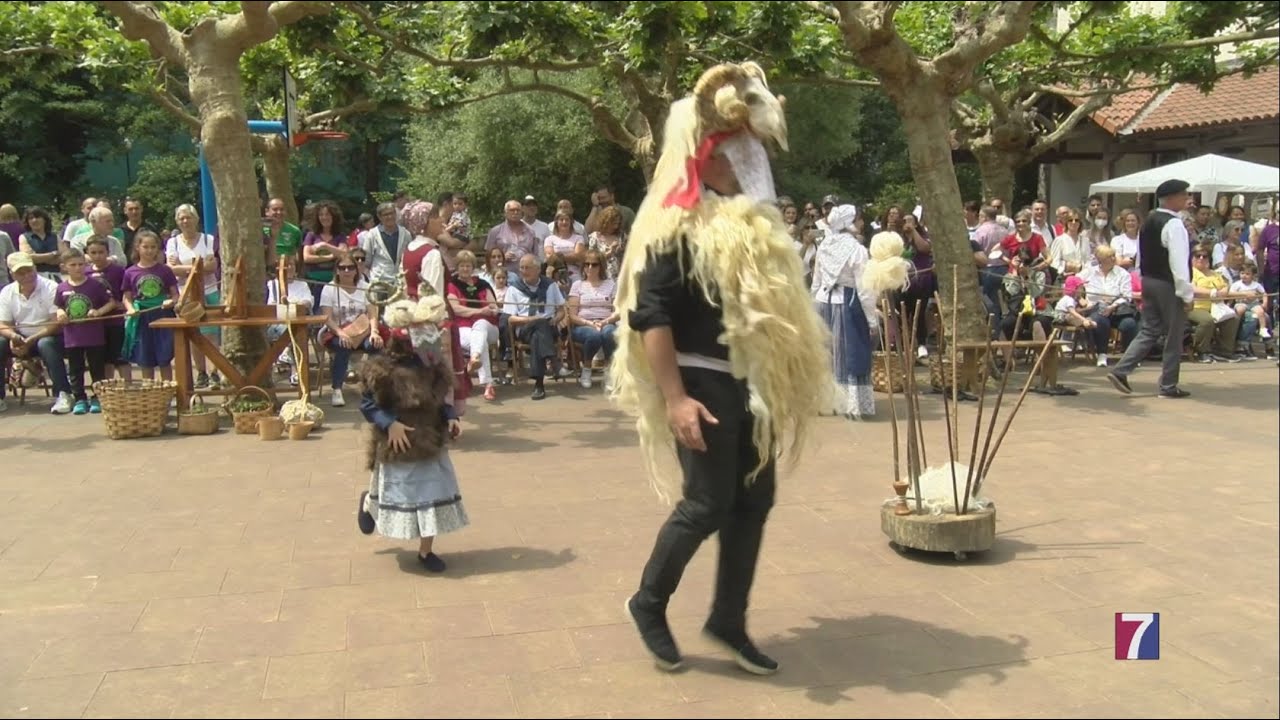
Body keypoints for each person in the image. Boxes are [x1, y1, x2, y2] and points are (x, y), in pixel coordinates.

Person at [609, 62, 834, 676]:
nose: (747, 166)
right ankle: (648, 601)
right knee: (707, 503)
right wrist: (676, 398)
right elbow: (649, 317)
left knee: (754, 499)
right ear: (706, 157)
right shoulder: (672, 228)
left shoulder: (751, 229)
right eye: (736, 154)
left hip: (750, 385)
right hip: (700, 379)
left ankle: (727, 621)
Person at [356, 290, 468, 573]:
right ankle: (369, 503)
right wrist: (389, 423)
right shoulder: (381, 369)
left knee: (432, 494)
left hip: (429, 438)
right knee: (396, 492)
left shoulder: (432, 367)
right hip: (399, 443)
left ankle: (425, 551)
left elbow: (439, 398)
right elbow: (368, 405)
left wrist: (450, 416)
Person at [1107, 179, 1194, 398]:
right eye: (1184, 195)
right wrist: (1186, 294)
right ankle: (1168, 385)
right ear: (1172, 198)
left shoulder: (1149, 221)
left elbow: (1141, 256)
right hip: (1167, 283)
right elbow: (1179, 262)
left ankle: (1121, 369)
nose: (1187, 198)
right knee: (1174, 334)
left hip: (1148, 280)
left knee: (1150, 329)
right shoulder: (1173, 224)